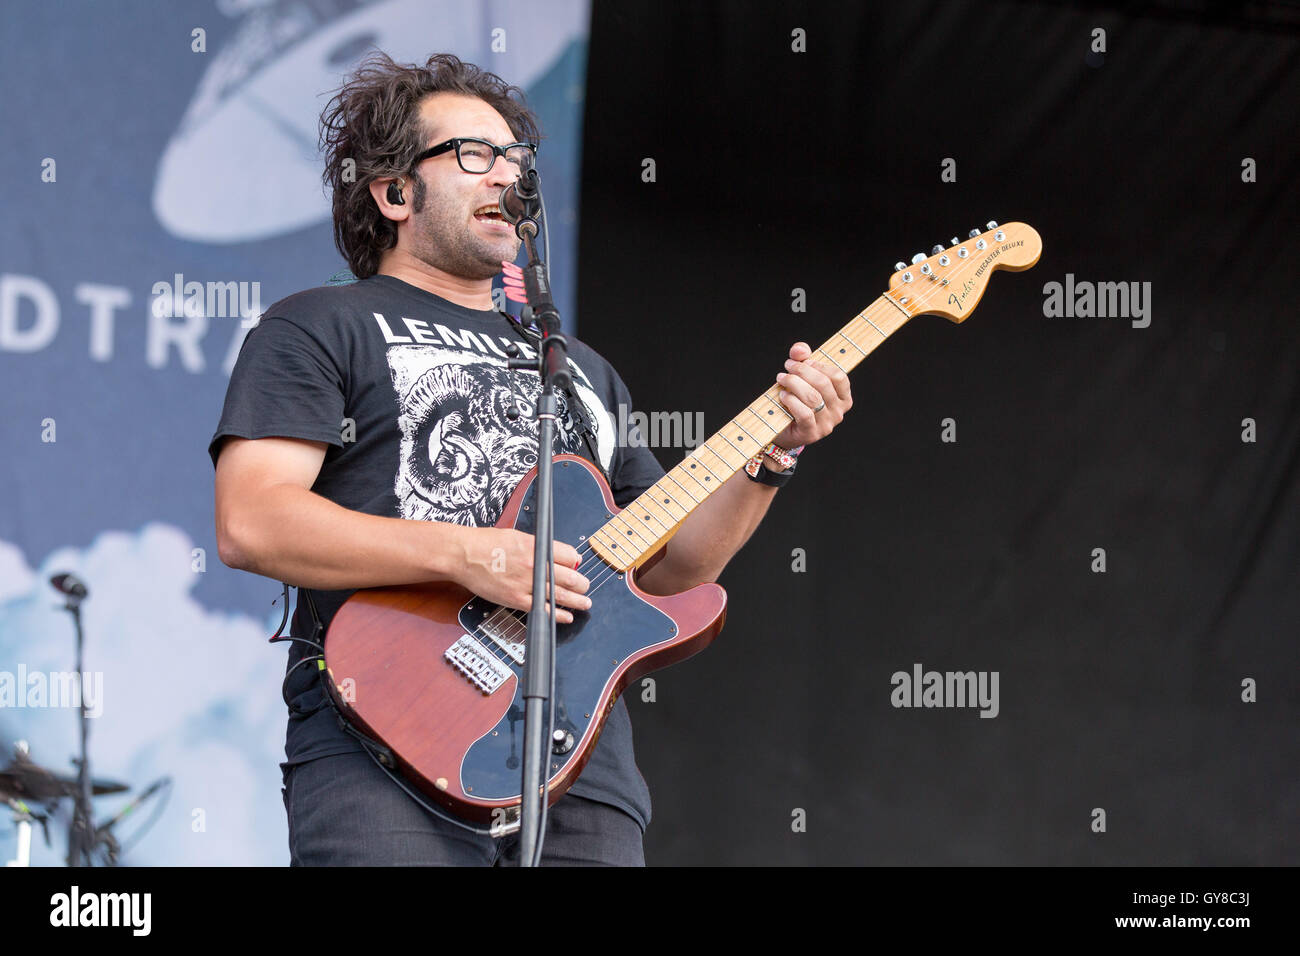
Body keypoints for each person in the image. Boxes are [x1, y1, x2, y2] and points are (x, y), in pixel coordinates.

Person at [209, 52, 852, 866]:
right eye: (473, 155)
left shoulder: (580, 368)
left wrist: (770, 460)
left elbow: (672, 571)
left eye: (516, 159)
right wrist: (473, 556)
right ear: (395, 191)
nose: (507, 176)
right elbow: (252, 521)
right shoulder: (320, 326)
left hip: (578, 762)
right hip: (387, 736)